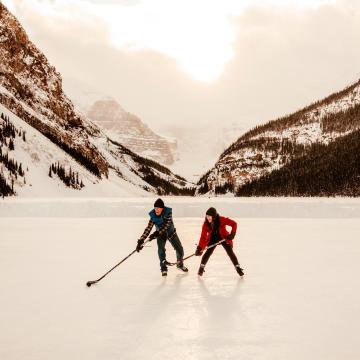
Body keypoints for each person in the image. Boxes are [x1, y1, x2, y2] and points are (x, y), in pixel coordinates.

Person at [136, 198, 188, 276]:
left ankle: (180, 265)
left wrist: (156, 233)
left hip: (171, 233)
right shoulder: (153, 215)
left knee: (180, 250)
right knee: (161, 250)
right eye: (155, 208)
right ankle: (163, 268)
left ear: (162, 208)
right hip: (160, 235)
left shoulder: (168, 213)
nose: (156, 209)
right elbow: (148, 228)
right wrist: (141, 239)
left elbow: (166, 225)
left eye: (158, 208)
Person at [195, 207, 244, 277]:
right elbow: (203, 237)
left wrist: (232, 234)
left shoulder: (221, 219)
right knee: (208, 252)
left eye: (209, 216)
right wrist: (199, 248)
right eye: (207, 216)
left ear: (214, 216)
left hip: (223, 237)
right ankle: (201, 268)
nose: (207, 218)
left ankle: (238, 268)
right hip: (213, 238)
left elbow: (234, 224)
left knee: (230, 252)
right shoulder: (206, 224)